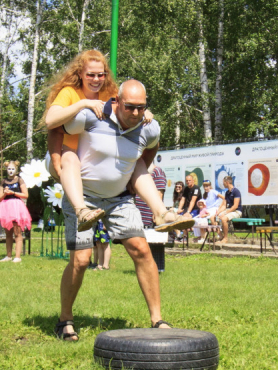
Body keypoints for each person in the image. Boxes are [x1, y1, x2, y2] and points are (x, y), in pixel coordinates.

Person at [55, 80, 171, 341]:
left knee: (141, 249)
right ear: (117, 102)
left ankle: (158, 320)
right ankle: (65, 319)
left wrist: (133, 176)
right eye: (130, 107)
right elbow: (56, 128)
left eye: (141, 108)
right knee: (82, 259)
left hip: (119, 199)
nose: (135, 113)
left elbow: (150, 150)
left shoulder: (149, 129)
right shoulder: (92, 117)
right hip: (83, 197)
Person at [44, 49, 192, 233]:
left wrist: (139, 112)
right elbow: (51, 123)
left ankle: (161, 213)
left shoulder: (109, 93)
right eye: (90, 74)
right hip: (63, 153)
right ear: (80, 74)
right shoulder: (70, 92)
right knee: (70, 158)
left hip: (90, 157)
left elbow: (126, 107)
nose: (96, 79)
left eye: (101, 75)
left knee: (136, 161)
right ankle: (81, 210)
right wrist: (84, 104)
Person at [0, 161, 31, 263]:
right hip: (6, 208)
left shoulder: (19, 180)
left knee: (17, 232)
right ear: (6, 170)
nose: (11, 171)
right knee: (8, 233)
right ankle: (8, 255)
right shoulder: (3, 181)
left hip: (17, 208)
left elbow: (25, 195)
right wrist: (5, 193)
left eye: (12, 169)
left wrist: (13, 193)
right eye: (9, 169)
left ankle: (18, 256)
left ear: (16, 170)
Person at [135, 161, 167, 228]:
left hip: (148, 216)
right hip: (138, 214)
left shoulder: (157, 171)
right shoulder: (138, 171)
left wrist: (156, 212)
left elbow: (159, 193)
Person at [213, 176, 242, 244]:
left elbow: (235, 206)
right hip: (229, 211)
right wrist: (218, 212)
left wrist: (225, 213)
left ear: (227, 182)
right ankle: (221, 236)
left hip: (237, 211)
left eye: (223, 183)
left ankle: (225, 239)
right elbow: (224, 206)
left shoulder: (236, 191)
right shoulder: (227, 193)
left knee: (224, 219)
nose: (223, 184)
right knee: (214, 217)